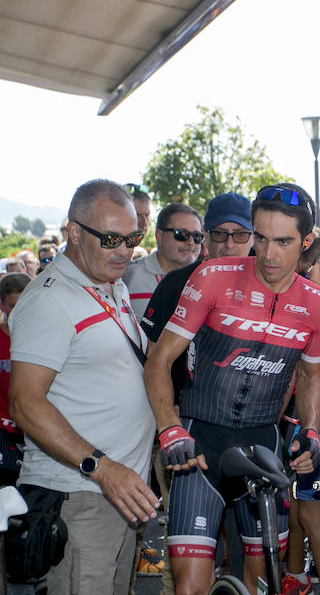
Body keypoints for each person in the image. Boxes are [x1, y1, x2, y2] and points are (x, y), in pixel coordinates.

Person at [143, 183, 320, 595]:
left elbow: (309, 377)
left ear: (307, 241)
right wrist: (169, 428)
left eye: (283, 242)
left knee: (262, 580)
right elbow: (159, 360)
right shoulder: (212, 276)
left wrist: (311, 432)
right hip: (199, 444)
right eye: (260, 238)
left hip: (263, 447)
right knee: (190, 586)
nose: (268, 255)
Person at [9, 179, 158, 595]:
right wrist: (102, 468)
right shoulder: (49, 300)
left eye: (133, 238)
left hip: (121, 492)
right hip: (81, 494)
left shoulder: (111, 283)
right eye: (111, 239)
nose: (125, 251)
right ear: (74, 232)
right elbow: (25, 403)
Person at [124, 202, 204, 319]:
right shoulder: (128, 275)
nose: (191, 242)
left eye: (197, 236)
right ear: (159, 236)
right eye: (181, 234)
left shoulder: (206, 281)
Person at [0, 272, 29, 486]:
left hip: (34, 430)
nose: (19, 312)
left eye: (24, 304)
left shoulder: (45, 337)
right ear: (2, 306)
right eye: (12, 306)